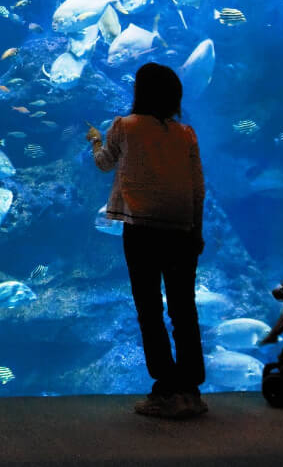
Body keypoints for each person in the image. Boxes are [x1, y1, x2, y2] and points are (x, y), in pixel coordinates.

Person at [89, 62, 207, 419]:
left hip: (140, 228)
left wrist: (95, 140)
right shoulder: (186, 133)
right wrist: (197, 230)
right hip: (182, 229)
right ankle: (190, 389)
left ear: (139, 92)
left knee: (150, 310)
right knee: (184, 310)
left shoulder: (124, 126)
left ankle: (165, 389)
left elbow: (104, 164)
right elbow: (197, 187)